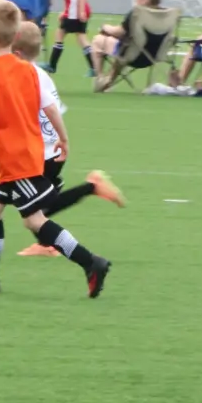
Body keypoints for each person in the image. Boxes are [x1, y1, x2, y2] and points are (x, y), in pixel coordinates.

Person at [0, 0, 112, 296]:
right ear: (14, 36)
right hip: (27, 155)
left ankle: (91, 262)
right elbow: (50, 108)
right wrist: (64, 138)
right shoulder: (29, 70)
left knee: (34, 221)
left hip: (15, 160)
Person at [12, 21, 126, 256]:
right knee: (34, 209)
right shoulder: (41, 75)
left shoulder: (26, 77)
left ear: (17, 53)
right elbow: (54, 110)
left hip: (42, 153)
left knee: (32, 213)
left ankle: (91, 187)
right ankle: (46, 243)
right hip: (52, 150)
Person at [89, 0, 163, 85]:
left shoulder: (136, 13)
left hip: (133, 56)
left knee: (97, 40)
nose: (136, 0)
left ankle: (100, 79)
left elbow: (118, 32)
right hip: (154, 56)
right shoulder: (164, 15)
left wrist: (105, 27)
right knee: (126, 46)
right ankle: (109, 79)